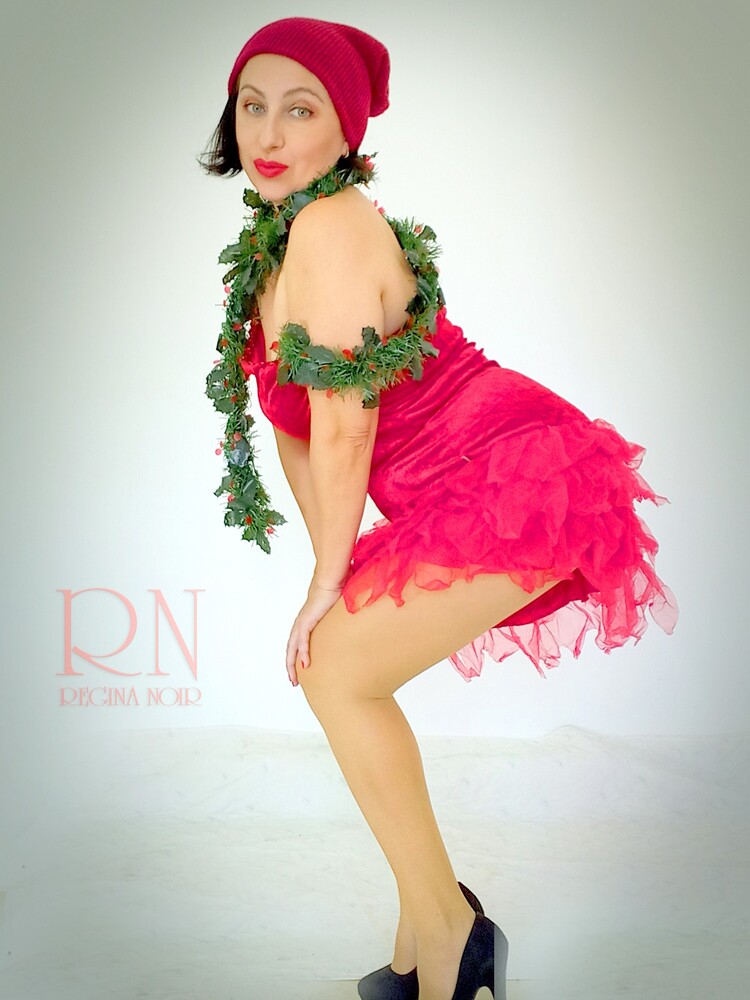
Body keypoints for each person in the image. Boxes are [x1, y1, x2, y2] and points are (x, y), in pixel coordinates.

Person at [199, 17, 679, 1000]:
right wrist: (330, 575)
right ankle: (429, 933)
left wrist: (328, 586)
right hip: (450, 493)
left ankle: (453, 936)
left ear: (347, 129)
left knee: (337, 672)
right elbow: (297, 433)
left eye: (301, 109)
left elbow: (346, 423)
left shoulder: (333, 228)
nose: (269, 133)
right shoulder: (271, 249)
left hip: (517, 471)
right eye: (253, 105)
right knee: (338, 667)